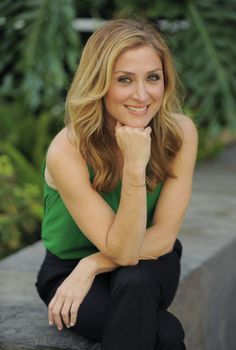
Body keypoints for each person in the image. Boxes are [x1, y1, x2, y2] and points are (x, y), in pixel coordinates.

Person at [35, 18, 198, 350]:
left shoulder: (180, 134)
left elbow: (163, 236)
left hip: (153, 256)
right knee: (165, 335)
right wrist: (135, 167)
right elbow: (122, 250)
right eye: (124, 80)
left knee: (135, 276)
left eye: (153, 78)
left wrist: (93, 264)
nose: (142, 94)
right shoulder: (67, 151)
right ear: (99, 84)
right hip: (67, 272)